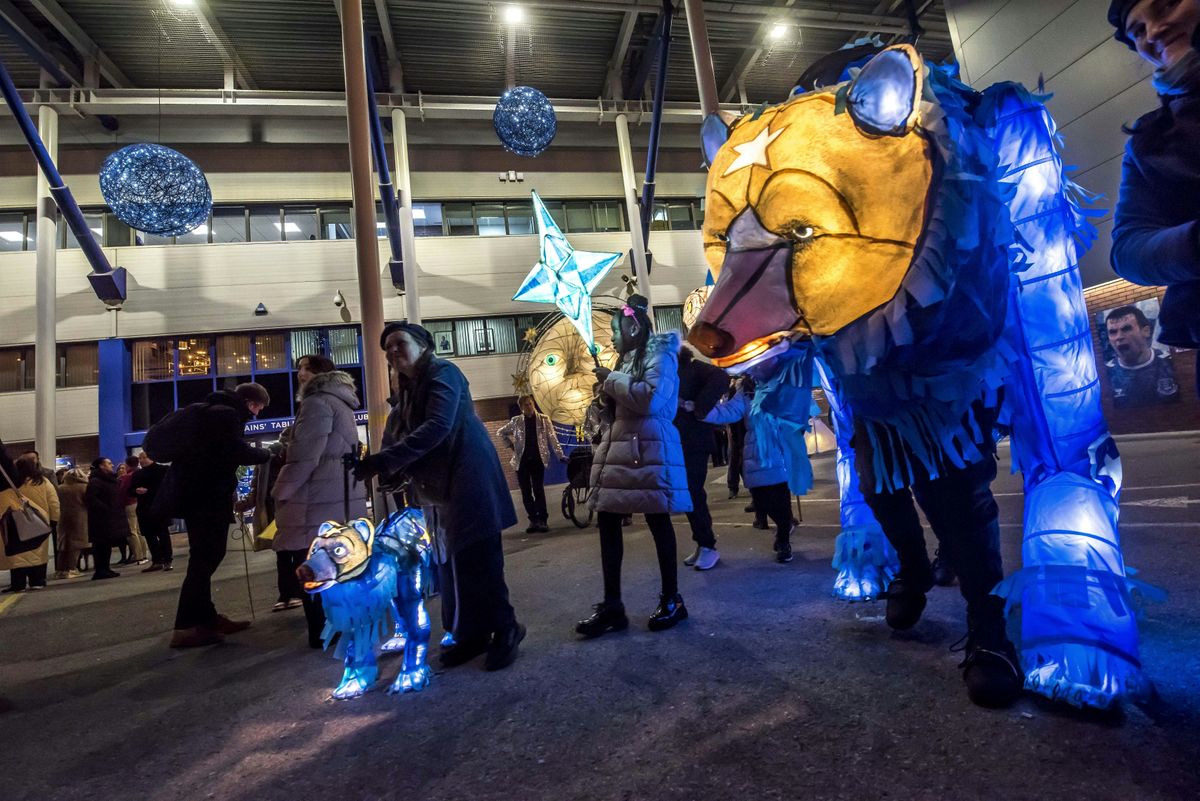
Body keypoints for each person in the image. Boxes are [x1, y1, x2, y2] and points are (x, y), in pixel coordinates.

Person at [353, 322, 524, 672]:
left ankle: (506, 628)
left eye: (399, 343)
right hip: (440, 488)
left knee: (479, 559)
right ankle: (471, 633)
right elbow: (399, 431)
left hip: (469, 477)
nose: (393, 352)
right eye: (387, 349)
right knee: (452, 565)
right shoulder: (408, 388)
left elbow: (438, 426)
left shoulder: (443, 372)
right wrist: (386, 467)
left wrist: (385, 461)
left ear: (424, 344)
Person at [575, 295, 692, 638]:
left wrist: (611, 380)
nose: (610, 338)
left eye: (615, 329)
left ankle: (673, 599)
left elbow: (650, 400)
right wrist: (603, 396)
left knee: (658, 521)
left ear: (633, 327)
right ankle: (613, 605)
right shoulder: (626, 360)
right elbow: (619, 406)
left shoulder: (660, 356)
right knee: (608, 522)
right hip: (623, 449)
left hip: (649, 449)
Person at [1108, 0, 1200, 397]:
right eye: (1137, 30)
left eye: (1165, 6)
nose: (1153, 32)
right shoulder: (1150, 141)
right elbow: (1127, 247)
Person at [146, 383, 271, 649]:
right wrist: (267, 453)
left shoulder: (209, 411)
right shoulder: (226, 415)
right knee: (206, 558)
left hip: (194, 494)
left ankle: (206, 618)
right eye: (259, 408)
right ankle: (186, 627)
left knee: (204, 556)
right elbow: (235, 451)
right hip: (206, 495)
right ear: (250, 402)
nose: (257, 414)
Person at [272, 355, 365, 648]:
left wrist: (280, 491)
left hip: (314, 500)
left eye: (304, 368)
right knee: (337, 564)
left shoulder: (316, 403)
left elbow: (304, 457)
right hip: (338, 495)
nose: (299, 373)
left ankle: (323, 632)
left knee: (313, 567)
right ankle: (341, 625)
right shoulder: (341, 403)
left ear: (318, 373)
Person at [704, 376, 798, 564]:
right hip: (754, 450)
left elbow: (795, 410)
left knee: (781, 497)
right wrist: (702, 410)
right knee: (761, 498)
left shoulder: (782, 382)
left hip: (778, 447)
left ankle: (783, 540)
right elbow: (730, 411)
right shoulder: (746, 389)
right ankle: (783, 530)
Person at [673, 346, 731, 571]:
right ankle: (702, 542)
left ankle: (708, 545)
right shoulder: (674, 372)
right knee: (688, 492)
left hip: (695, 440)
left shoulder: (695, 368)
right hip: (681, 441)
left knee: (693, 491)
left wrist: (698, 406)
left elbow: (722, 376)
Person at [497, 395, 565, 533]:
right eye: (526, 405)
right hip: (521, 462)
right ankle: (533, 520)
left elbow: (553, 438)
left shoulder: (544, 420)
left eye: (530, 404)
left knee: (538, 490)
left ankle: (543, 520)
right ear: (521, 408)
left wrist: (560, 455)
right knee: (526, 492)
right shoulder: (516, 421)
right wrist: (510, 445)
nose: (529, 406)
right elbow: (500, 432)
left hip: (537, 460)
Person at [0, 451, 56, 592]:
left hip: (15, 522)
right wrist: (54, 519)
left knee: (18, 556)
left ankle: (17, 584)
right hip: (38, 522)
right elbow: (53, 502)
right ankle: (37, 580)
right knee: (38, 553)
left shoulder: (10, 483)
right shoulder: (43, 482)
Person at [1103, 304, 1180, 406]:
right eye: (1113, 332)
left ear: (1146, 331)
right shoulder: (1105, 374)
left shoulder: (1170, 363)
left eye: (1126, 329)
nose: (1119, 337)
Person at [84, 457, 129, 581]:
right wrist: (106, 509)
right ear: (101, 466)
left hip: (109, 517)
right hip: (100, 519)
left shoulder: (108, 480)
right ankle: (100, 570)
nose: (112, 465)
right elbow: (91, 499)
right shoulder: (96, 481)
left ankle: (105, 568)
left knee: (106, 545)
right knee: (100, 545)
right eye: (109, 463)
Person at [131, 452, 172, 572]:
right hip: (144, 508)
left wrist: (149, 491)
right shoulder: (137, 474)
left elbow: (167, 486)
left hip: (160, 507)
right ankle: (157, 560)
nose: (142, 460)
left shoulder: (163, 470)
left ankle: (167, 559)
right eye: (140, 458)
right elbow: (130, 490)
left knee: (163, 534)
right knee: (149, 535)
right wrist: (136, 491)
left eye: (145, 458)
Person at [54, 468, 89, 579]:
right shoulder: (84, 488)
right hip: (80, 518)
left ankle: (60, 570)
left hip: (62, 518)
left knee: (63, 545)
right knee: (76, 545)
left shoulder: (60, 488)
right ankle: (71, 568)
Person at [119, 455, 150, 566]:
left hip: (129, 504)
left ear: (127, 465)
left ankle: (138, 556)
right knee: (138, 531)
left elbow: (123, 492)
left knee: (132, 531)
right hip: (137, 503)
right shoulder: (140, 473)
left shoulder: (126, 477)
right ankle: (144, 554)